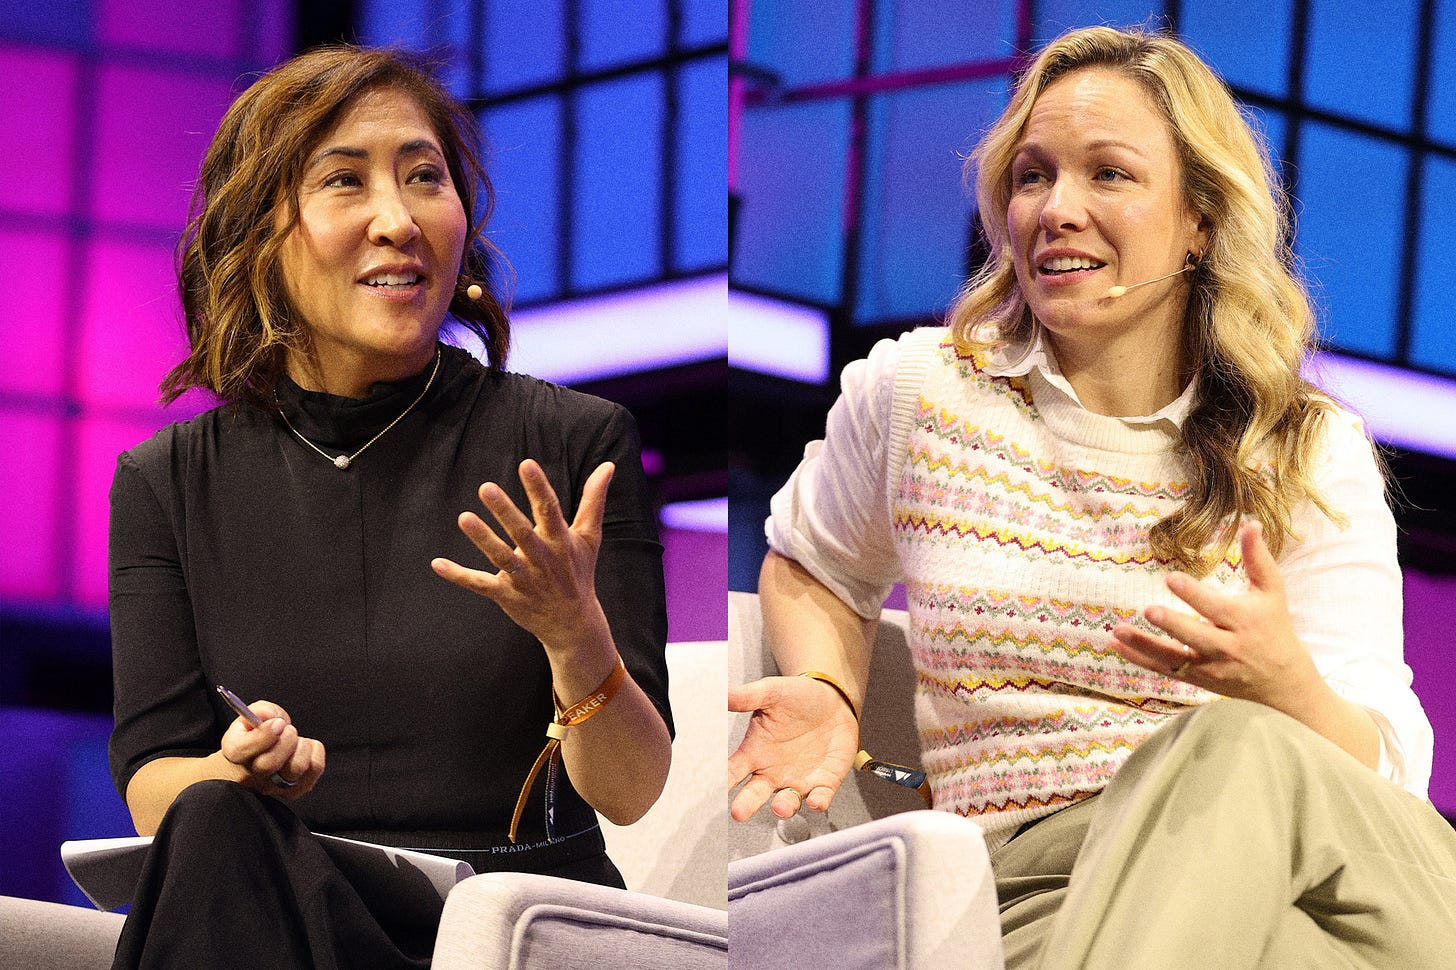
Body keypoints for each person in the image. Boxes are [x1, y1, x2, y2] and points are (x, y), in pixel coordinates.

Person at [728, 24, 1456, 968]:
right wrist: (828, 685)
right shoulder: (922, 391)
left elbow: (1386, 775)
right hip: (1050, 895)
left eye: (1108, 174)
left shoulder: (1306, 447)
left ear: (1199, 221)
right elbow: (817, 560)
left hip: (1317, 864)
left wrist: (1284, 686)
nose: (1058, 209)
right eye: (1033, 177)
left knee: (1244, 747)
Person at [106, 45, 673, 969]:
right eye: (345, 181)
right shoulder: (166, 481)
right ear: (259, 232)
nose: (398, 220)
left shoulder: (572, 442)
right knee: (211, 819)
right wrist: (234, 772)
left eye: (424, 178)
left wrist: (576, 637)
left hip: (509, 926)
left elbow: (632, 788)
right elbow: (153, 785)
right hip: (284, 920)